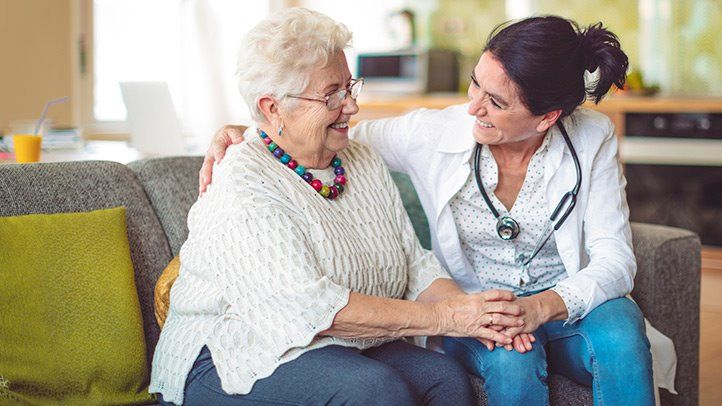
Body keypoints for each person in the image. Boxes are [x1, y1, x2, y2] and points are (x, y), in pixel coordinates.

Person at [202, 15, 671, 406]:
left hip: (560, 302)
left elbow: (615, 259)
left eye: (496, 102)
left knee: (622, 328)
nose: (472, 109)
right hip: (480, 303)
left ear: (547, 117)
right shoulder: (434, 133)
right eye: (475, 85)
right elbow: (328, 138)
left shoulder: (591, 137)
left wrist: (540, 307)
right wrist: (253, 129)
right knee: (510, 354)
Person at [151, 8, 526, 406]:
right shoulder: (242, 183)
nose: (351, 106)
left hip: (339, 342)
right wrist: (448, 319)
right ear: (273, 107)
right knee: (375, 390)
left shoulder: (360, 159)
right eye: (332, 94)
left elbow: (415, 267)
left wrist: (479, 313)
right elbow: (311, 309)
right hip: (233, 350)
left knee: (444, 379)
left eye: (350, 87)